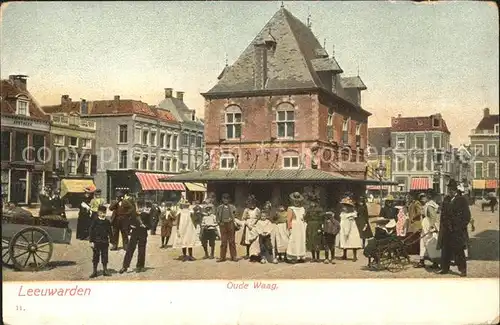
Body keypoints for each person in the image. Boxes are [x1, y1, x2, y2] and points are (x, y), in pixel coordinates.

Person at [436, 180, 471, 277]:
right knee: (445, 250)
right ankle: (444, 268)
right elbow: (443, 214)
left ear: (456, 190)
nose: (450, 191)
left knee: (459, 250)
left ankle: (463, 270)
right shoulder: (446, 199)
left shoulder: (462, 200)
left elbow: (467, 216)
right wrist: (443, 226)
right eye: (449, 189)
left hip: (457, 230)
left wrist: (459, 227)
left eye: (452, 189)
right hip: (446, 229)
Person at [119, 199, 149, 274]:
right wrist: (130, 227)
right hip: (134, 234)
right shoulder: (133, 214)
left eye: (141, 207)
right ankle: (125, 266)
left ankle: (140, 266)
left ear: (144, 207)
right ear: (136, 207)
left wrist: (145, 226)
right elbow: (127, 222)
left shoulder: (146, 215)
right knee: (130, 250)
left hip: (143, 234)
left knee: (141, 250)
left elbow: (150, 225)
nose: (140, 209)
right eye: (138, 207)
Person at [414, 193, 440, 269]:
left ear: (427, 197)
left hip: (429, 225)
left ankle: (435, 263)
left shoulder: (429, 206)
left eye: (423, 197)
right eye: (421, 198)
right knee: (423, 243)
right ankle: (422, 261)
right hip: (425, 225)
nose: (422, 199)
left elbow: (433, 216)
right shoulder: (426, 205)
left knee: (430, 243)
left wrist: (432, 226)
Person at [89, 205, 113, 278]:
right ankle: (94, 271)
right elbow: (91, 231)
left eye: (104, 213)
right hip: (96, 241)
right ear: (98, 213)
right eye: (101, 213)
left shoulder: (107, 222)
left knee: (105, 256)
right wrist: (91, 241)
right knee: (95, 256)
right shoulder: (95, 221)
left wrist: (111, 242)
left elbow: (110, 232)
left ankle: (105, 270)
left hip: (105, 242)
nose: (103, 214)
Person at [337, 197, 363, 262]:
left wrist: (347, 231)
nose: (343, 208)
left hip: (351, 229)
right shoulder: (342, 214)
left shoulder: (352, 214)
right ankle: (344, 254)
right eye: (343, 206)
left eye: (345, 206)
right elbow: (342, 221)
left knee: (353, 242)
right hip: (343, 228)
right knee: (344, 242)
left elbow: (350, 223)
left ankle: (354, 256)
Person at [215, 193, 239, 262]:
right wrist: (219, 222)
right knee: (223, 241)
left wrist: (233, 220)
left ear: (229, 200)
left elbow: (236, 215)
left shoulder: (232, 207)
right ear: (222, 199)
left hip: (230, 224)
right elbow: (217, 216)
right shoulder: (219, 207)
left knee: (232, 241)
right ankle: (222, 257)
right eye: (224, 199)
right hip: (222, 225)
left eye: (227, 199)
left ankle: (233, 256)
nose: (226, 200)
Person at [286, 192, 307, 264]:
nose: (296, 202)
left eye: (298, 200)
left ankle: (300, 256)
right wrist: (289, 228)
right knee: (293, 240)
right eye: (295, 200)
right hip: (294, 225)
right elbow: (288, 219)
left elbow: (304, 218)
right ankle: (292, 256)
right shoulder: (290, 208)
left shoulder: (302, 208)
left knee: (301, 240)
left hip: (301, 225)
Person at [240, 195, 261, 259]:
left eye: (253, 203)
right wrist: (247, 224)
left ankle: (254, 253)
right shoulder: (246, 210)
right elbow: (243, 219)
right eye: (250, 203)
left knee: (255, 239)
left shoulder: (257, 210)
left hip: (255, 225)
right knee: (248, 239)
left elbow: (259, 218)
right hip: (248, 225)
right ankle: (248, 253)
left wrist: (255, 223)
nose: (252, 205)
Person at [305, 193, 324, 262]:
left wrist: (320, 227)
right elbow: (306, 218)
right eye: (311, 202)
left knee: (317, 241)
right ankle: (313, 257)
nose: (312, 203)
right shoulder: (309, 210)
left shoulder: (319, 209)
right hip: (310, 226)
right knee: (311, 242)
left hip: (317, 225)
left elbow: (322, 219)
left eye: (313, 202)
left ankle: (318, 257)